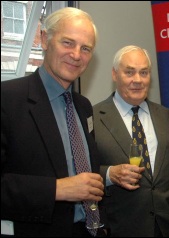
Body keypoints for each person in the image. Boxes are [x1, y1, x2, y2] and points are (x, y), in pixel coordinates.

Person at [1, 7, 107, 237]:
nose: (76, 55)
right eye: (68, 43)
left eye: (85, 48)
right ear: (44, 39)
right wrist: (57, 189)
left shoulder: (84, 106)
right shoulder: (7, 100)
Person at [93, 45, 169, 237]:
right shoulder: (93, 117)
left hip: (168, 225)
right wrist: (110, 174)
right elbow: (81, 169)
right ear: (114, 74)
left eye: (143, 72)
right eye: (129, 72)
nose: (137, 80)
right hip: (120, 225)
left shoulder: (163, 114)